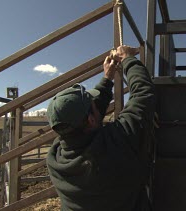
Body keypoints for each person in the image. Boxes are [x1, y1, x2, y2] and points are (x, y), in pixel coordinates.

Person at [46, 45, 155, 211]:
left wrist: (108, 78)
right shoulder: (117, 142)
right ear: (90, 119)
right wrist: (128, 59)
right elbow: (143, 95)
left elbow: (89, 117)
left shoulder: (55, 158)